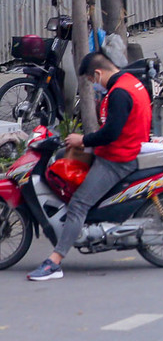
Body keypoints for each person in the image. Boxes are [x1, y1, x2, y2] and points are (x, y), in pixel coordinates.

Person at [27, 52, 151, 282]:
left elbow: (111, 133)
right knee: (65, 155)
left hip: (117, 159)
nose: (95, 85)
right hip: (121, 148)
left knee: (78, 204)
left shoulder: (119, 94)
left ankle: (55, 262)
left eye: (93, 81)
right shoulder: (130, 82)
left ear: (98, 73)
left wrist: (82, 140)